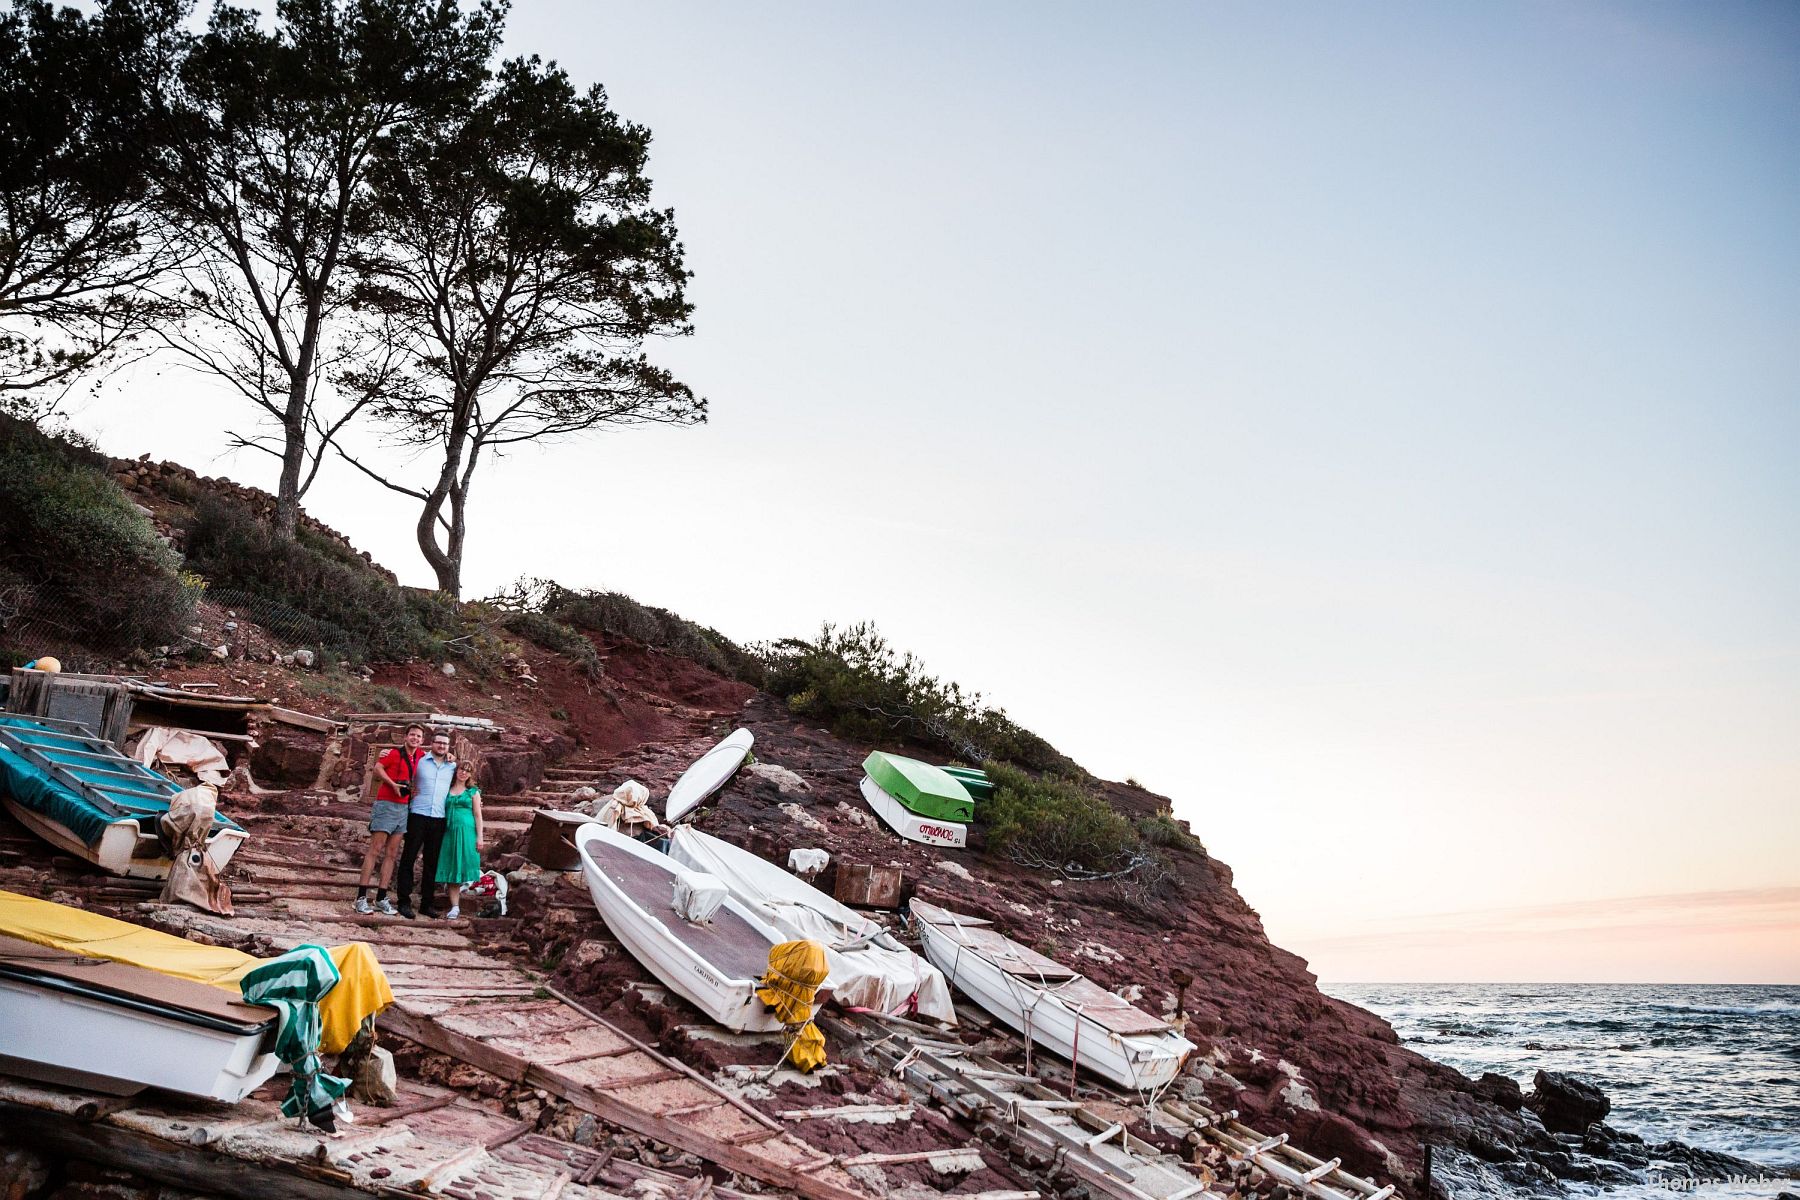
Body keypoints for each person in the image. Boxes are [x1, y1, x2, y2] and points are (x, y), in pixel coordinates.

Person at [355, 722, 424, 915]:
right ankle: (361, 897)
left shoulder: (420, 756)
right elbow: (377, 768)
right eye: (412, 735)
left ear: (422, 740)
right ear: (406, 737)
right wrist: (392, 784)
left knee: (392, 853)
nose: (415, 738)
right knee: (375, 849)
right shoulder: (393, 753)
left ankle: (381, 897)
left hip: (404, 807)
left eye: (418, 736)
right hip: (386, 803)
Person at [394, 730, 456, 919]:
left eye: (445, 744)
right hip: (418, 815)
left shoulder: (453, 766)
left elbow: (464, 784)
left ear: (449, 746)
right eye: (439, 743)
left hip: (439, 818)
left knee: (431, 862)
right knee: (408, 858)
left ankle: (426, 904)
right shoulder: (420, 760)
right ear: (432, 743)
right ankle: (404, 902)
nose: (442, 746)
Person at [435, 761, 485, 920]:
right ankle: (455, 906)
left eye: (467, 771)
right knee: (451, 866)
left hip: (467, 832)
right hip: (449, 832)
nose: (464, 773)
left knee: (464, 863)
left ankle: (463, 890)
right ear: (457, 771)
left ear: (470, 775)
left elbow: (478, 815)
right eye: (462, 769)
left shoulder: (473, 792)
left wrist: (480, 837)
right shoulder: (447, 790)